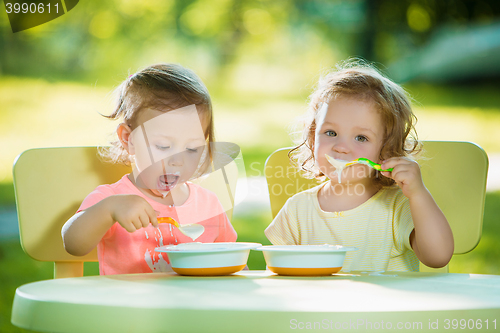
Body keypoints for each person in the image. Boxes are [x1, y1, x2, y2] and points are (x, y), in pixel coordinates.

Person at [265, 60, 453, 272]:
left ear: (387, 150)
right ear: (312, 137)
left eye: (361, 138)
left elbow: (438, 257)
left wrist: (419, 194)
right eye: (331, 133)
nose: (342, 147)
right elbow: (280, 277)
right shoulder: (298, 209)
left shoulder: (398, 206)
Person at [62, 63, 237, 275]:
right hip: (129, 305)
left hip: (192, 305)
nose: (177, 161)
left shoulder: (208, 204)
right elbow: (73, 243)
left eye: (192, 148)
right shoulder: (113, 198)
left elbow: (231, 261)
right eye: (163, 146)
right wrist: (108, 210)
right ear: (129, 139)